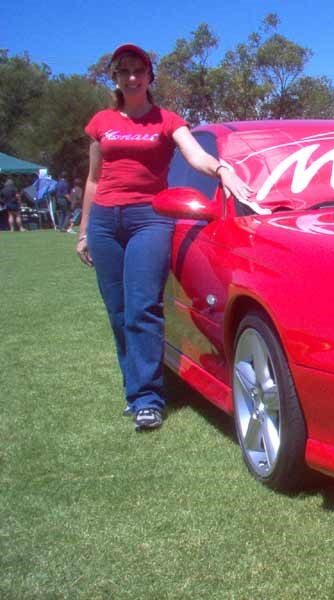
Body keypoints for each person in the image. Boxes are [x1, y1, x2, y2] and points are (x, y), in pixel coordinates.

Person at [76, 43, 252, 431]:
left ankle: (149, 399)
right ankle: (134, 389)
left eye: (138, 70)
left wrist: (221, 169)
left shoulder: (168, 120)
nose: (132, 77)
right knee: (119, 311)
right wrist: (84, 230)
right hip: (105, 220)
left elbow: (195, 156)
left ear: (149, 77)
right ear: (116, 78)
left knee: (143, 307)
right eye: (124, 71)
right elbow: (93, 179)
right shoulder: (101, 121)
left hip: (149, 219)